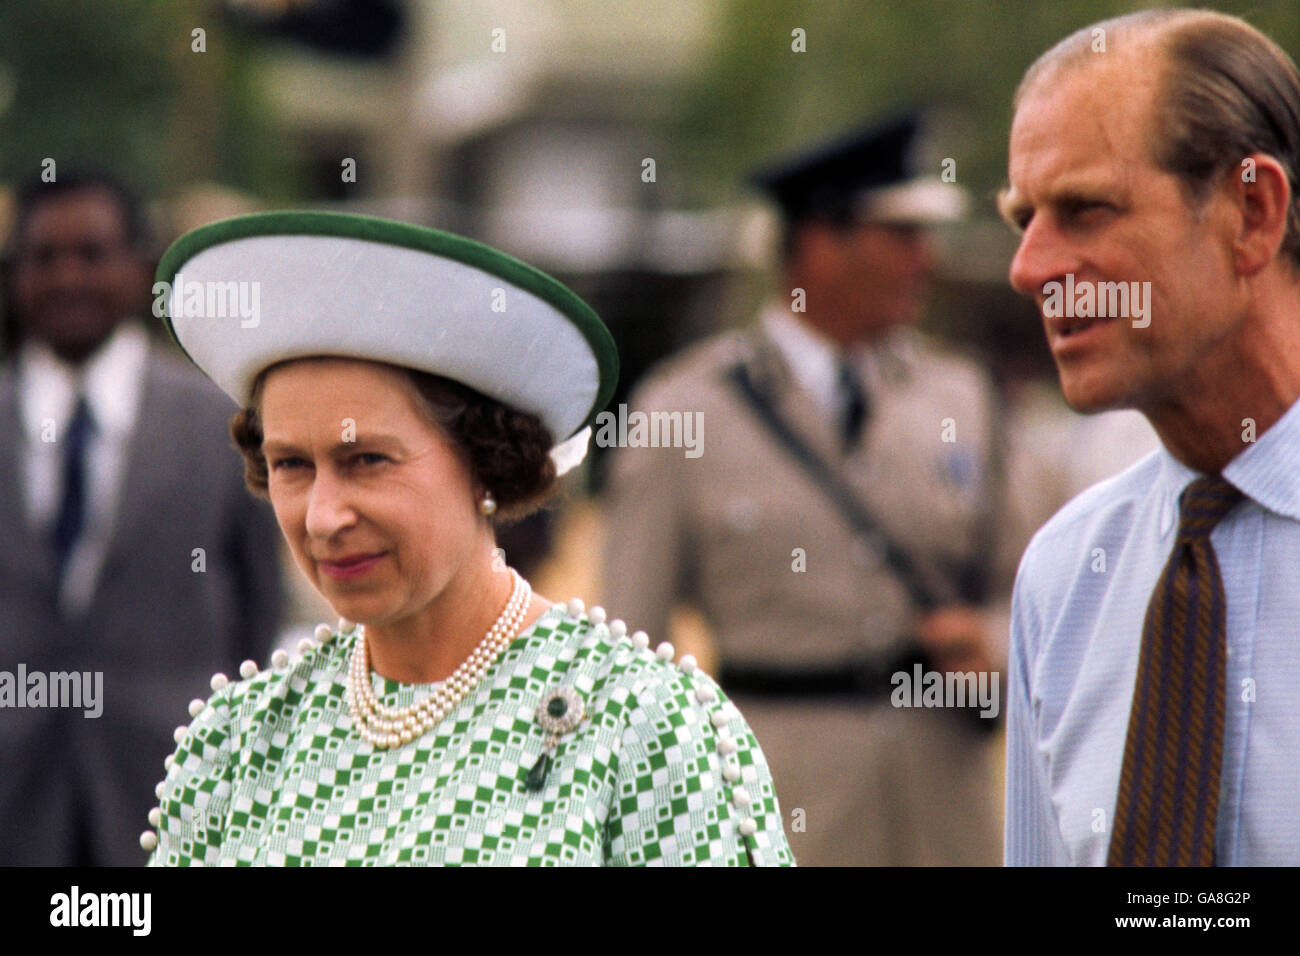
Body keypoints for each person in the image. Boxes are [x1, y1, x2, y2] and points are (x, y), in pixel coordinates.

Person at [143, 211, 792, 866]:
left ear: (485, 459)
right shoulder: (238, 741)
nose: (322, 517)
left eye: (367, 460)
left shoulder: (644, 726)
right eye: (291, 465)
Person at [602, 114, 1011, 865]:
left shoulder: (962, 397)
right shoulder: (684, 411)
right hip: (782, 811)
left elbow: (1028, 586)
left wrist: (996, 646)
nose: (928, 258)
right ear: (822, 243)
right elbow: (631, 652)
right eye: (903, 234)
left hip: (948, 815)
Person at [1002, 9, 1300, 866]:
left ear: (1251, 212)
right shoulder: (1063, 579)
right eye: (1024, 216)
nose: (1028, 266)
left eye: (1084, 209)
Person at [0, 169, 283, 865]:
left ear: (140, 268)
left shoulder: (221, 422)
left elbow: (259, 607)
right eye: (43, 257)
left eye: (92, 254)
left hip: (167, 793)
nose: (68, 276)